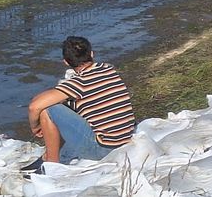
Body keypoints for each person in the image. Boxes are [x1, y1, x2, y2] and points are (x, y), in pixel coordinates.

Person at [21, 37, 135, 172]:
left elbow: (35, 106)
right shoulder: (108, 69)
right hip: (124, 139)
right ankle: (46, 156)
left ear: (66, 62)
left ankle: (51, 164)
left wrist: (35, 128)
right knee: (67, 105)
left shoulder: (79, 82)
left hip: (103, 148)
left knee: (49, 110)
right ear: (92, 54)